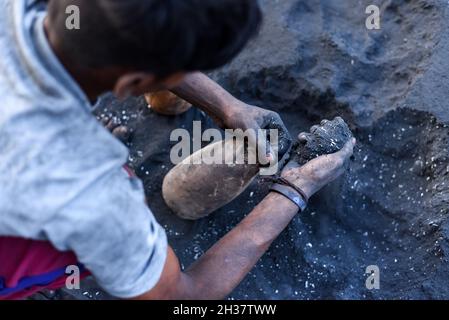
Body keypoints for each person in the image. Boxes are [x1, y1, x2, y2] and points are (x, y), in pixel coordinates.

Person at [0, 0, 355, 300]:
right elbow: (182, 296)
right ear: (135, 83)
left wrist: (226, 105)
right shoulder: (91, 193)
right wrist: (295, 188)